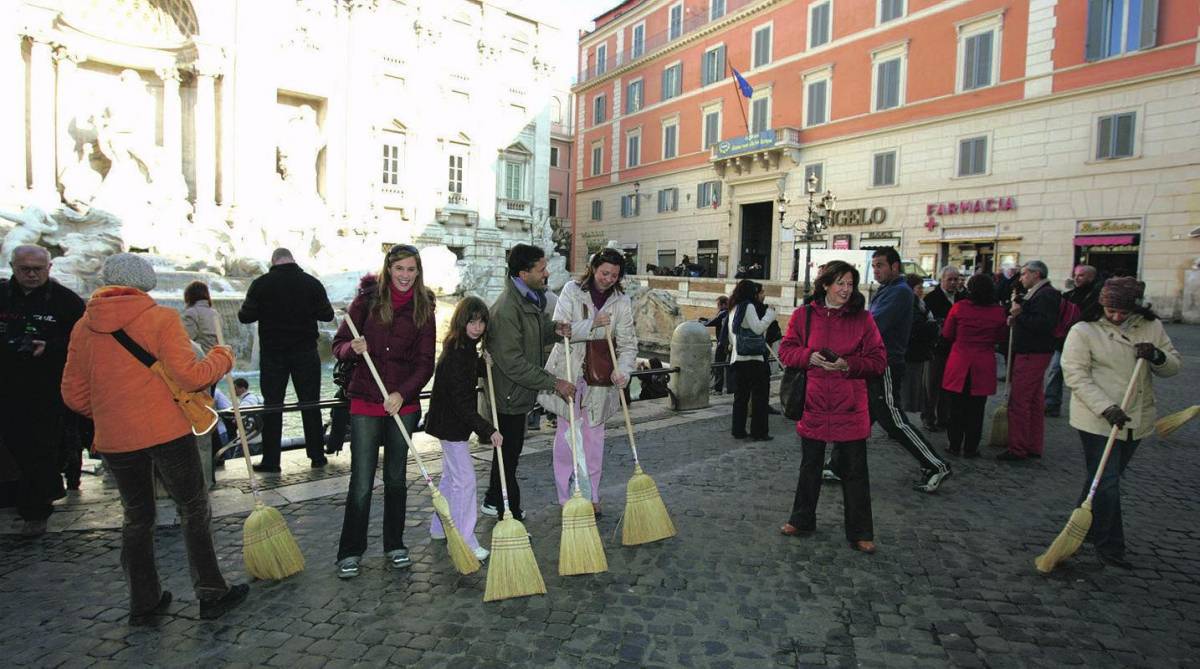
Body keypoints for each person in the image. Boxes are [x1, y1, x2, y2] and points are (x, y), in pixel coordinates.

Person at [61, 253, 248, 623]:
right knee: (193, 507)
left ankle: (143, 603)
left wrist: (110, 413)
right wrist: (223, 358)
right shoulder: (161, 319)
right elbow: (192, 377)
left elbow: (73, 395)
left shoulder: (83, 327)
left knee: (136, 517)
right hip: (167, 431)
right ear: (145, 282)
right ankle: (211, 592)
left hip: (115, 438)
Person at [329, 244, 436, 578]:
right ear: (389, 269)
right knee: (361, 481)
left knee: (395, 478)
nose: (405, 275)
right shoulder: (367, 301)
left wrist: (402, 394)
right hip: (365, 400)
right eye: (400, 268)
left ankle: (395, 544)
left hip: (402, 405)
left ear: (418, 273)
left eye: (411, 269)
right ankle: (350, 551)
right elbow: (338, 345)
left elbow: (425, 364)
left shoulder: (423, 309)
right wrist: (352, 348)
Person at [1061, 277, 1180, 569]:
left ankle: (1083, 525)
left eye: (1122, 312)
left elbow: (1173, 366)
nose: (1115, 317)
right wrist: (1106, 407)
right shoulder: (1084, 330)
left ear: (1135, 308)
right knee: (1107, 482)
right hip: (1097, 418)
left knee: (1100, 479)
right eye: (1110, 310)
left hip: (1135, 417)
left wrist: (1156, 355)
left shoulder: (1151, 327)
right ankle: (1111, 545)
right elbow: (1075, 374)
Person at [777, 261, 886, 553]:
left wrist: (848, 365)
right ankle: (801, 519)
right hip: (813, 401)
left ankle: (861, 532)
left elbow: (878, 360)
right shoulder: (804, 316)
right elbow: (786, 350)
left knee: (855, 471)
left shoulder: (863, 319)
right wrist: (809, 357)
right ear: (825, 285)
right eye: (840, 283)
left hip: (850, 403)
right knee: (809, 466)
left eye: (850, 284)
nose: (846, 290)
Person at [539, 247, 636, 515]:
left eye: (614, 275)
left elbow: (628, 345)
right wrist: (593, 324)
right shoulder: (571, 290)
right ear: (593, 269)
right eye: (605, 273)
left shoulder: (622, 302)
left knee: (594, 440)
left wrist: (624, 371)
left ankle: (592, 494)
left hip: (601, 379)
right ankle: (566, 497)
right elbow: (561, 329)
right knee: (566, 438)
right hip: (568, 372)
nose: (608, 279)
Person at [481, 244, 574, 521]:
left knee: (508, 452)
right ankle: (508, 510)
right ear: (523, 273)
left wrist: (554, 331)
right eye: (541, 268)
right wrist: (554, 382)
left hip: (518, 393)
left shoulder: (528, 299)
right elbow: (512, 362)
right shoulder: (508, 309)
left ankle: (491, 499)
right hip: (508, 394)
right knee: (508, 455)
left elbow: (533, 334)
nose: (546, 273)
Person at [0, 245, 85, 536]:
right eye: (25, 269)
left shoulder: (67, 302)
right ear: (12, 267)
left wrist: (51, 347)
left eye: (38, 269)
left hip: (46, 388)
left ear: (49, 269)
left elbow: (82, 341)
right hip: (5, 383)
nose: (32, 274)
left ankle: (36, 510)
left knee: (41, 446)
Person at [237, 248, 334, 472]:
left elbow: (245, 316)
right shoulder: (311, 283)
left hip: (273, 354)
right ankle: (317, 456)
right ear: (293, 259)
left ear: (273, 261)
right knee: (310, 404)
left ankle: (272, 460)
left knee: (273, 406)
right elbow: (327, 315)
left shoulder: (261, 284)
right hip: (306, 352)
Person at [866, 248, 952, 492]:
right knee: (861, 417)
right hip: (877, 362)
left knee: (894, 421)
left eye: (880, 265)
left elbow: (875, 324)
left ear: (895, 266)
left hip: (886, 363)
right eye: (874, 266)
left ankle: (936, 464)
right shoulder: (888, 290)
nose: (876, 270)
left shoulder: (899, 292)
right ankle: (838, 463)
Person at [423, 296, 498, 561]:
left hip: (448, 424)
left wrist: (480, 364)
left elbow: (466, 373)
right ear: (462, 321)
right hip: (451, 426)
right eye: (473, 321)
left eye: (482, 322)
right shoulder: (457, 353)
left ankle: (438, 528)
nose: (478, 327)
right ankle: (466, 538)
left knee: (450, 479)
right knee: (465, 482)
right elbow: (462, 402)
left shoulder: (462, 348)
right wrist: (488, 430)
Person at [998, 260, 1061, 461]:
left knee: (1020, 400)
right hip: (1034, 351)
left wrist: (1018, 316)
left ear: (1036, 274)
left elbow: (1042, 324)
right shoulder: (1041, 293)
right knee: (1033, 400)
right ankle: (1032, 444)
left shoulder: (1046, 294)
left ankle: (1018, 447)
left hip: (1032, 352)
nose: (1022, 277)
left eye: (1024, 274)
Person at [940, 275, 1007, 457]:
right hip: (983, 362)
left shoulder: (959, 308)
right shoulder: (998, 312)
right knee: (976, 410)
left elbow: (947, 333)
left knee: (956, 408)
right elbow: (1001, 337)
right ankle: (971, 447)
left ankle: (954, 445)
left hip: (960, 361)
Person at [1045, 265, 1101, 417]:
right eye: (1075, 275)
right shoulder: (1069, 295)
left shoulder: (1097, 296)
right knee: (1055, 370)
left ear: (1091, 277)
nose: (1076, 278)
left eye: (1081, 275)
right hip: (1063, 340)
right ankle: (1051, 403)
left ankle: (1092, 406)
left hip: (1086, 342)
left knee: (1084, 376)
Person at [728, 280, 776, 441]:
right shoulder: (747, 306)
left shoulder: (733, 307)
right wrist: (770, 314)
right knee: (759, 397)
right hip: (752, 359)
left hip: (737, 357)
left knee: (740, 398)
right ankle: (759, 432)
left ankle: (738, 430)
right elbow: (757, 328)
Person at [922, 266, 963, 432]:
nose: (954, 283)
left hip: (955, 349)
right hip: (936, 348)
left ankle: (944, 417)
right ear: (942, 280)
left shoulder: (962, 297)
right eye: (950, 279)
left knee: (948, 385)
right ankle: (929, 417)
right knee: (932, 385)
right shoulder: (932, 298)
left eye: (956, 279)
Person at [902, 274, 936, 413]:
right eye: (919, 287)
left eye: (922, 287)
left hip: (917, 352)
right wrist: (934, 325)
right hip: (912, 352)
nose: (921, 290)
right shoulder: (911, 304)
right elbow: (916, 326)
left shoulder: (919, 303)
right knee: (909, 388)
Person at [702, 295, 732, 394]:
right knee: (729, 366)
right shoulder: (731, 313)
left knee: (718, 365)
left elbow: (714, 321)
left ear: (723, 304)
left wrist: (702, 322)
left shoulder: (723, 312)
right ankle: (730, 388)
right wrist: (705, 319)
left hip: (722, 343)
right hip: (730, 344)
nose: (717, 307)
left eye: (718, 304)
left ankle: (718, 389)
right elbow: (715, 321)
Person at [181, 281, 219, 354]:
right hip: (214, 358)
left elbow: (184, 341)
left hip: (199, 359)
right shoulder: (215, 313)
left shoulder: (191, 313)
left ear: (189, 296)